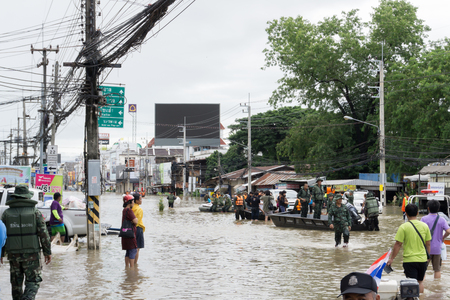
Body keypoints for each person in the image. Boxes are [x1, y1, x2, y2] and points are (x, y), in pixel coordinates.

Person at [1, 185, 52, 300]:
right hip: (32, 255)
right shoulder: (36, 213)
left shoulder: (6, 214)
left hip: (13, 256)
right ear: (27, 197)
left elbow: (2, 235)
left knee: (16, 284)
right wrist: (47, 252)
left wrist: (1, 253)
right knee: (33, 281)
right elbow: (43, 234)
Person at [387, 204, 431, 294]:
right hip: (422, 260)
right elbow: (428, 243)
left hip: (409, 260)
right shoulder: (424, 226)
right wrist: (427, 258)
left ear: (406, 214)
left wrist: (391, 259)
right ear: (417, 213)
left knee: (411, 283)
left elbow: (398, 244)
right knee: (420, 282)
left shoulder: (403, 227)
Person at [421, 200, 450, 279]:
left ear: (428, 208)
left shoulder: (424, 219)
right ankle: (437, 287)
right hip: (437, 248)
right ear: (438, 209)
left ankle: (422, 285)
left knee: (423, 270)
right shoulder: (442, 219)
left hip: (426, 249)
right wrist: (443, 237)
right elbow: (448, 231)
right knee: (437, 270)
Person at [122, 194, 138, 268]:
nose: (133, 203)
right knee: (133, 250)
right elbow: (135, 221)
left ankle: (127, 268)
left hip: (125, 234)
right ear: (129, 202)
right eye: (133, 201)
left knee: (128, 251)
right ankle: (132, 269)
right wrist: (135, 220)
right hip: (130, 235)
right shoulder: (129, 210)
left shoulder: (124, 210)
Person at [132, 193, 145, 264]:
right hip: (138, 228)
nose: (141, 200)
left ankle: (129, 265)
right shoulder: (139, 209)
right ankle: (135, 264)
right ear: (136, 200)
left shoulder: (129, 207)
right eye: (140, 199)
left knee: (131, 248)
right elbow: (138, 221)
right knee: (137, 248)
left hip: (130, 229)